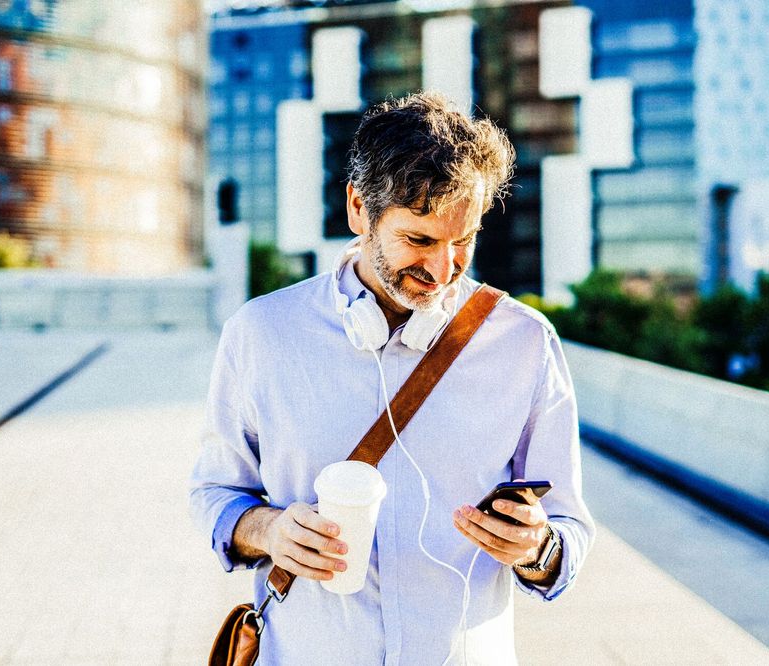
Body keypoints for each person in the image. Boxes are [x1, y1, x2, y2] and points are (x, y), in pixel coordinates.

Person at [190, 92, 595, 665]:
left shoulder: (525, 342)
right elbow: (215, 493)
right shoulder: (261, 333)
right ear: (359, 209)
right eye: (419, 240)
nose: (443, 270)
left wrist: (537, 547)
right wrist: (269, 531)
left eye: (463, 241)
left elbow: (569, 529)